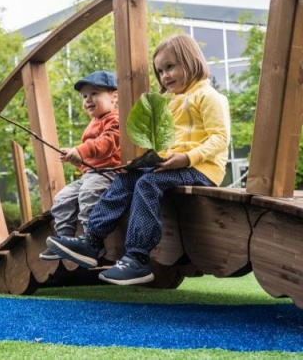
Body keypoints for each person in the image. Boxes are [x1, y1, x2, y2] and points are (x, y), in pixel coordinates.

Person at [47, 34, 229, 285]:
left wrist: (187, 158)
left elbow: (219, 139)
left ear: (191, 61)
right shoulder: (170, 102)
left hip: (202, 168)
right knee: (126, 178)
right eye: (160, 71)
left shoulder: (209, 97)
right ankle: (92, 241)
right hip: (172, 163)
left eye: (170, 66)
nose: (165, 75)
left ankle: (138, 257)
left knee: (147, 184)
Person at [40, 70, 120, 261]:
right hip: (91, 175)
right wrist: (77, 157)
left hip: (109, 174)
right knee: (62, 198)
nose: (88, 99)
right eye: (84, 96)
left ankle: (91, 241)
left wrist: (81, 151)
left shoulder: (116, 119)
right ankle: (65, 239)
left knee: (89, 195)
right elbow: (91, 157)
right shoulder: (94, 122)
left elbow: (108, 143)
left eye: (94, 93)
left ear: (114, 97)